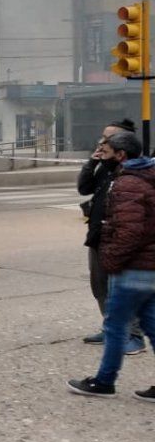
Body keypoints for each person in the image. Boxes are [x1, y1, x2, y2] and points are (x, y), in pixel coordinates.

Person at [67, 131, 155, 401]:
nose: (101, 150)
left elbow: (129, 231)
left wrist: (111, 260)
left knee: (115, 327)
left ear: (121, 155)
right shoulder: (147, 175)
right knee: (152, 326)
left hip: (133, 269)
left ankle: (104, 382)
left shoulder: (129, 183)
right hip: (149, 267)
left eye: (106, 148)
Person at [77, 118, 144, 354]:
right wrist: (91, 161)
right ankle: (111, 329)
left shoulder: (133, 172)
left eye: (108, 139)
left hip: (119, 240)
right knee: (100, 287)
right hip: (98, 235)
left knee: (123, 289)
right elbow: (84, 188)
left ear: (122, 147)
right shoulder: (105, 168)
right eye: (102, 137)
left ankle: (134, 336)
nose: (102, 142)